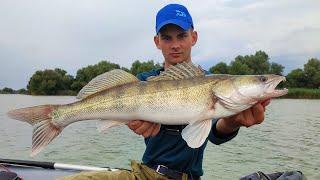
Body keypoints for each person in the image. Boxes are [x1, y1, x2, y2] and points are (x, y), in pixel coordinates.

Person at [60, 3, 270, 180]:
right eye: (167, 38)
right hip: (144, 174)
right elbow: (121, 114)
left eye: (182, 35)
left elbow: (215, 132)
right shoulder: (143, 82)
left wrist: (233, 122)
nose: (175, 45)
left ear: (193, 37)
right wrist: (130, 122)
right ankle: (58, 116)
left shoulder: (210, 83)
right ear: (157, 41)